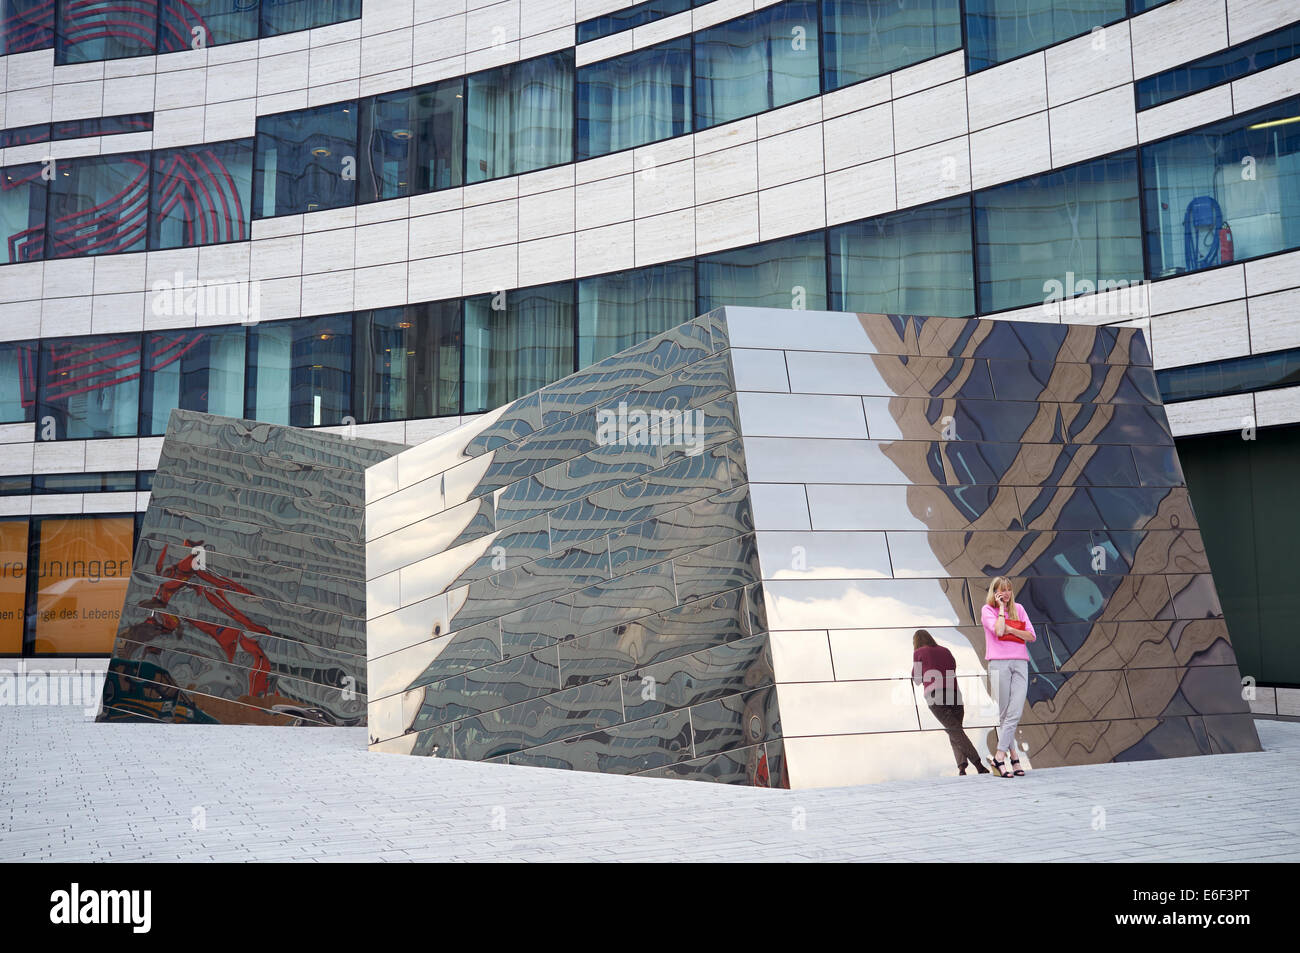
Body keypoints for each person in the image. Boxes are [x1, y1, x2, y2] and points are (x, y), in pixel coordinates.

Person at [912, 629, 989, 775]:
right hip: (954, 694)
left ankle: (979, 765)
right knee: (955, 730)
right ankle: (961, 767)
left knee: (955, 730)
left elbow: (916, 679)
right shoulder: (945, 650)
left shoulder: (918, 653)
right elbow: (953, 667)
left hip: (935, 695)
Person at [981, 576, 1036, 778]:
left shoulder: (1020, 609)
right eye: (1001, 590)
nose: (1006, 593)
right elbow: (998, 630)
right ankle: (1014, 756)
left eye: (1009, 590)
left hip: (1020, 663)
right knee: (1005, 714)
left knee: (1015, 711)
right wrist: (1002, 611)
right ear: (994, 592)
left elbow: (1032, 635)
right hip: (998, 663)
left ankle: (998, 756)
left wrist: (1012, 629)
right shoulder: (987, 611)